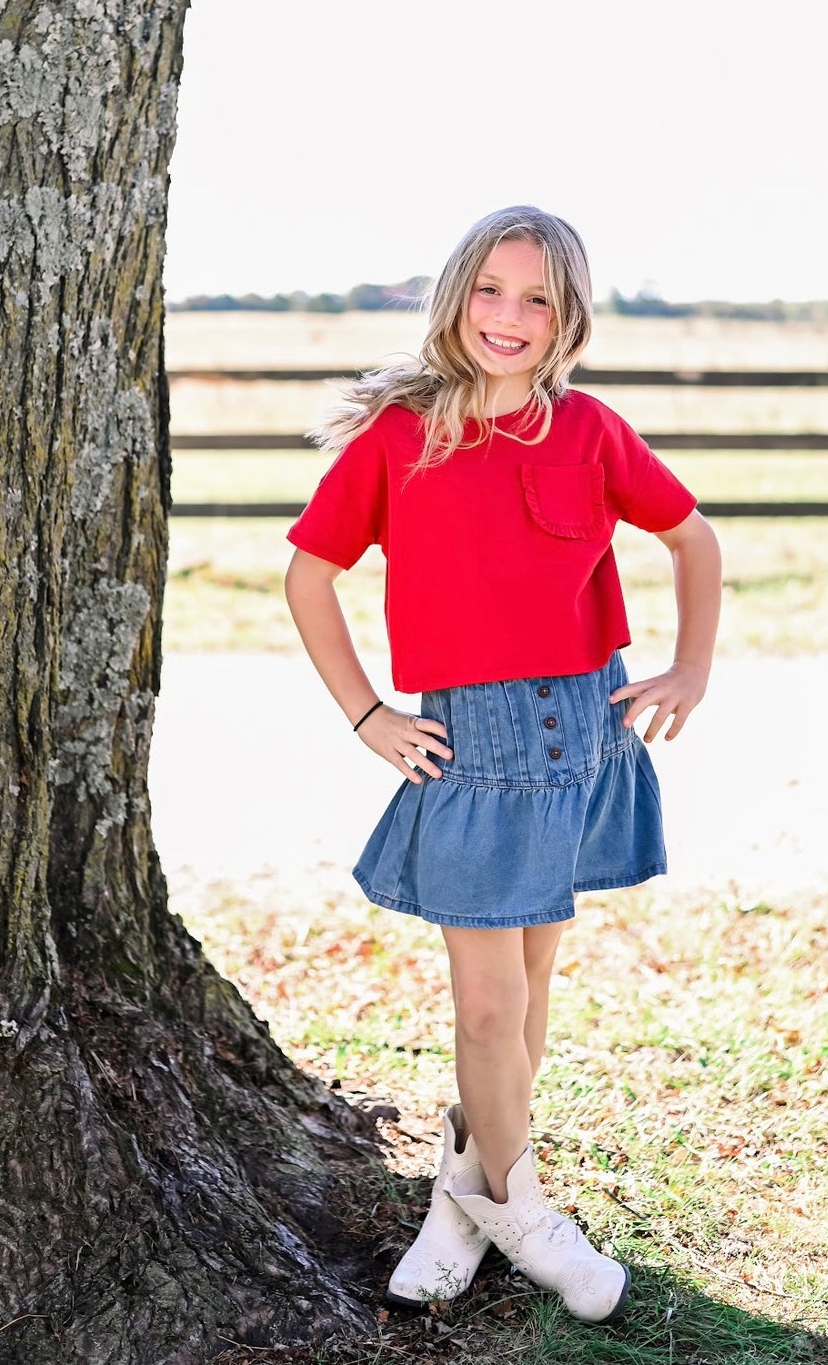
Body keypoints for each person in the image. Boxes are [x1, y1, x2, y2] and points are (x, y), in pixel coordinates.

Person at [284, 206, 721, 1323]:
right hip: (467, 745)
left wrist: (688, 669)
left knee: (527, 994)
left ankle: (458, 1197)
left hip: (583, 725)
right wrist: (366, 712)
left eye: (536, 297)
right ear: (455, 296)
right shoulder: (401, 432)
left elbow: (691, 537)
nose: (509, 317)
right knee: (485, 1007)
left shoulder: (589, 429)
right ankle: (523, 1212)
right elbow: (309, 574)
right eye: (490, 290)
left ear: (568, 315)